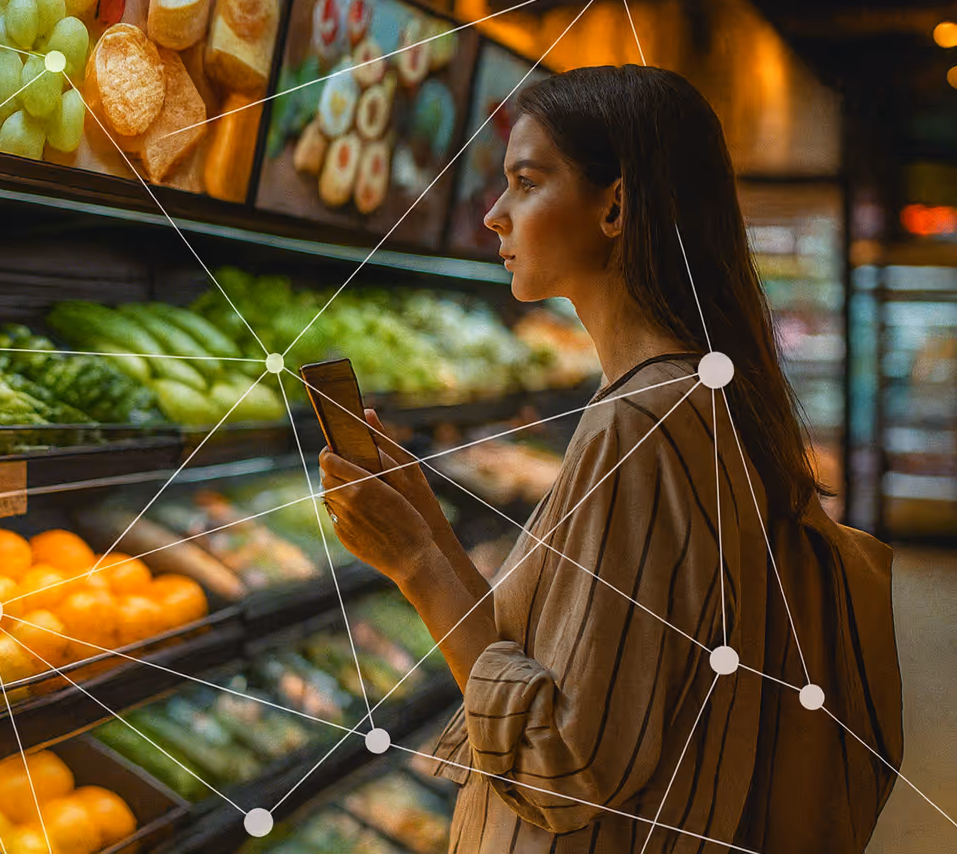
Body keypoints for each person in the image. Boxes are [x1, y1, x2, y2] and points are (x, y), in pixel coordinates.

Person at [319, 65, 903, 853]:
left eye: (526, 183)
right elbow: (588, 678)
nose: (493, 216)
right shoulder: (691, 394)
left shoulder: (643, 421)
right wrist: (422, 520)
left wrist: (419, 561)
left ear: (616, 205)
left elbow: (564, 766)